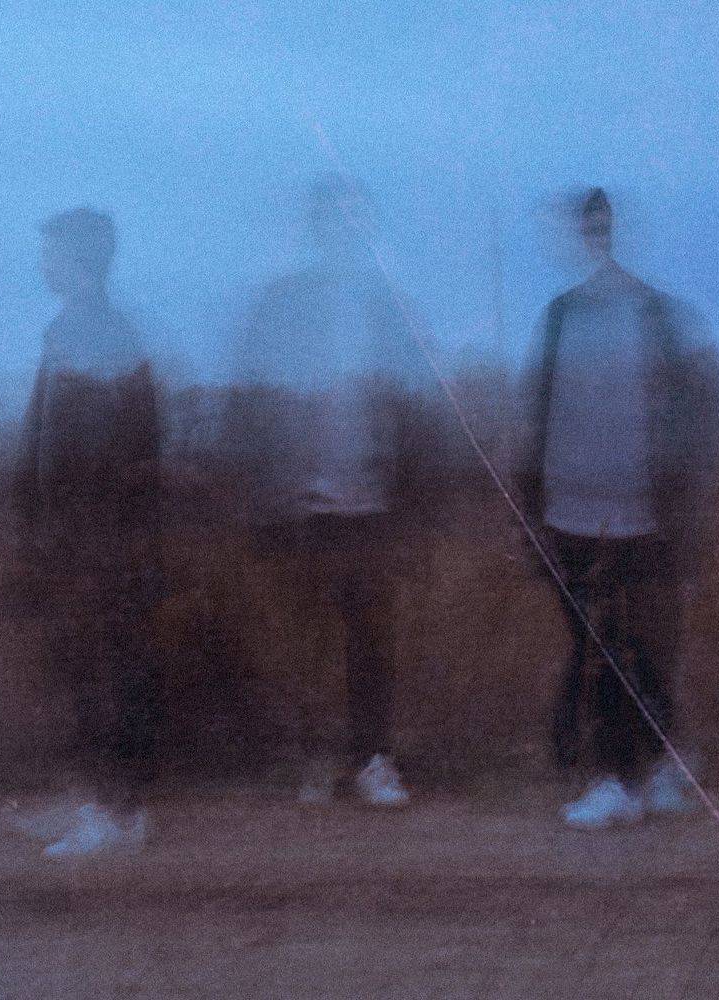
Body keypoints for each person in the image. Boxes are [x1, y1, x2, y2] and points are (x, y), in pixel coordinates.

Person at [222, 173, 439, 808]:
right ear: (317, 228)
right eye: (334, 218)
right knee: (306, 639)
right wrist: (258, 499)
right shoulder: (281, 304)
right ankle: (316, 760)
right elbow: (251, 401)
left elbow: (419, 403)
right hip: (300, 507)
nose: (346, 229)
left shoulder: (389, 309)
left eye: (356, 218)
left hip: (372, 506)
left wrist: (417, 504)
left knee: (371, 639)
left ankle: (372, 761)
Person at [511, 188, 719, 830]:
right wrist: (531, 508)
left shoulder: (661, 316)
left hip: (646, 517)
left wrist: (679, 492)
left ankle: (633, 775)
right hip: (570, 516)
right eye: (588, 230)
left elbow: (701, 408)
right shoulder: (558, 317)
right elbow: (534, 414)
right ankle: (628, 772)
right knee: (598, 644)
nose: (597, 241)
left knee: (640, 645)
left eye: (606, 229)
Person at [9, 207, 165, 857]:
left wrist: (70, 527)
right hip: (83, 536)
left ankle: (109, 811)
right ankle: (105, 805)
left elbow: (106, 449)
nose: (42, 264)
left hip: (93, 540)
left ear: (80, 261)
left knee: (99, 671)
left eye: (52, 253)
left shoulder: (96, 334)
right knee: (92, 668)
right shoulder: (76, 330)